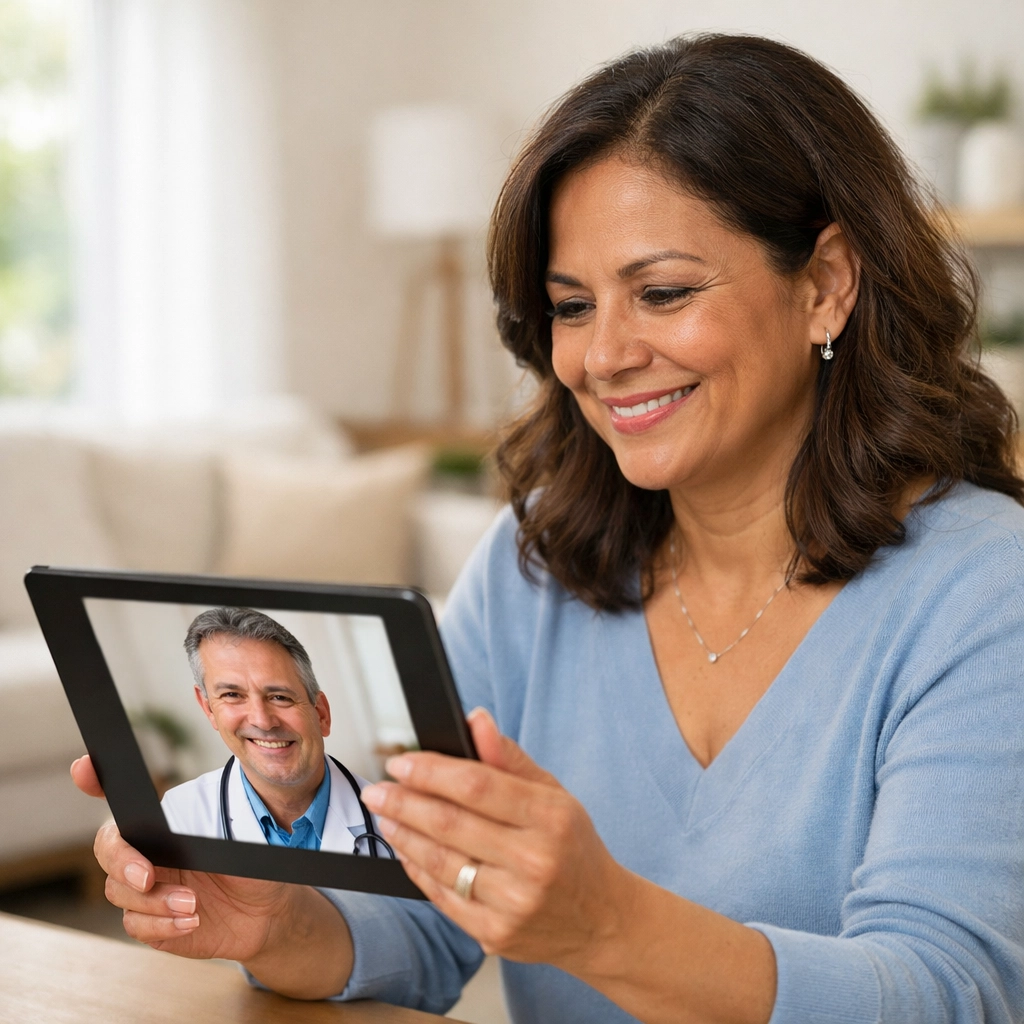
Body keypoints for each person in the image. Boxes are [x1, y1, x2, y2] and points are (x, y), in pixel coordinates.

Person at [71, 34, 1024, 1023]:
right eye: (571, 306)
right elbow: (431, 916)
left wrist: (604, 925)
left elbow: (948, 994)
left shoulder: (982, 585)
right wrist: (277, 923)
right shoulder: (535, 561)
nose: (603, 355)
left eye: (661, 292)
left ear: (825, 283)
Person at [162, 607, 392, 857]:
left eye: (280, 697)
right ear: (208, 708)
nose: (262, 721)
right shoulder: (178, 817)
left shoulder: (395, 828)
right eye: (232, 695)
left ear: (321, 714)